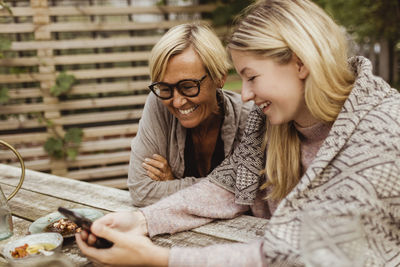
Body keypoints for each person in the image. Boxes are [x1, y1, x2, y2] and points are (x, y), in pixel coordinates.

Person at [76, 0, 400, 266]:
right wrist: (143, 221)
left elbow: (299, 256)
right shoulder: (271, 124)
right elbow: (229, 186)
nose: (243, 94)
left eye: (251, 77)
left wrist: (160, 259)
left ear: (300, 64)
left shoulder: (381, 134)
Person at [128, 22, 252, 207]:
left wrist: (172, 183)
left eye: (188, 86)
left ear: (220, 77)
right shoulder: (158, 104)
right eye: (165, 88)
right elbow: (141, 191)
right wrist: (218, 188)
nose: (177, 102)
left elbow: (246, 196)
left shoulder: (250, 118)